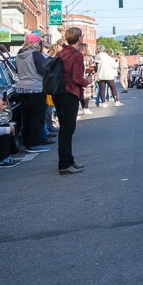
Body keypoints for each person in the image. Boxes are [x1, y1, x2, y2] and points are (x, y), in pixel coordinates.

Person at [57, 27, 89, 175]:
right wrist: (87, 80)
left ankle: (69, 160)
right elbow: (77, 78)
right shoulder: (76, 56)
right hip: (70, 93)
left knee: (65, 129)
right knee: (67, 130)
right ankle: (64, 164)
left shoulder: (60, 53)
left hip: (59, 93)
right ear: (79, 38)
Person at [14, 32, 50, 151]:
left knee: (27, 117)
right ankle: (34, 143)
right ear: (36, 43)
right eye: (40, 43)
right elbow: (43, 69)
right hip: (36, 88)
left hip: (21, 88)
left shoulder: (19, 55)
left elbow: (16, 70)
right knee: (37, 117)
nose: (41, 45)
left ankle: (27, 142)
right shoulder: (36, 55)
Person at [78, 43, 96, 115]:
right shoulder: (89, 58)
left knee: (81, 94)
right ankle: (86, 108)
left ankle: (83, 108)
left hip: (79, 77)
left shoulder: (77, 57)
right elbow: (92, 68)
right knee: (87, 94)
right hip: (87, 77)